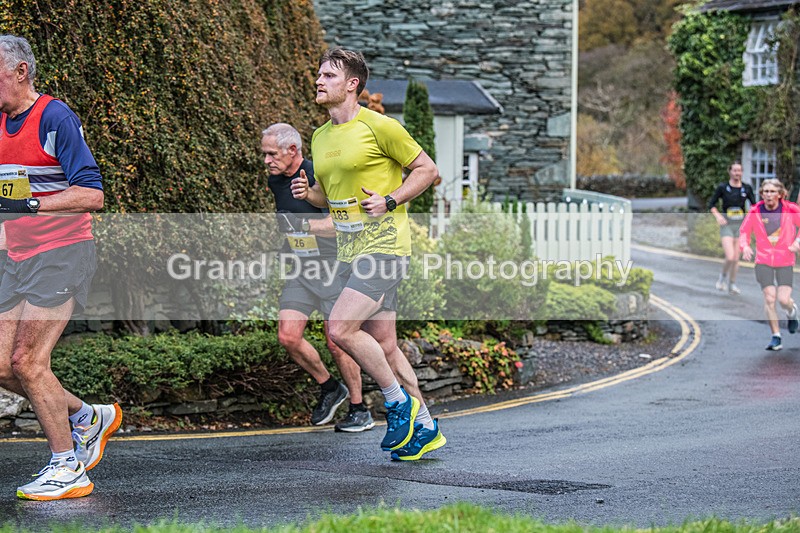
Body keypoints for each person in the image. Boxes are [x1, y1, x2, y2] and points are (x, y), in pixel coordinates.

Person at [292, 48, 446, 461]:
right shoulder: (321, 137)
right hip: (351, 250)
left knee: (339, 329)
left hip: (385, 248)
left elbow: (428, 170)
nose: (319, 81)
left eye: (328, 75)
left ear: (352, 85)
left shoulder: (381, 127)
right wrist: (309, 194)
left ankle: (397, 403)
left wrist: (391, 200)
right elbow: (332, 195)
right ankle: (427, 425)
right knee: (385, 344)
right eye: (319, 74)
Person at [0, 35, 122, 500]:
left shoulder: (54, 117)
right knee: (3, 364)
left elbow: (92, 194)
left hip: (63, 251)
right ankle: (88, 417)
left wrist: (32, 204)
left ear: (20, 72)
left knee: (28, 361)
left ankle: (68, 467)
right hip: (17, 256)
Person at [261, 122, 373, 432]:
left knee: (338, 341)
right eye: (265, 155)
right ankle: (329, 387)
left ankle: (359, 408)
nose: (266, 161)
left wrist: (307, 227)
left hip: (334, 268)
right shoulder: (275, 180)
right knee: (288, 336)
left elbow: (345, 220)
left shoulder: (319, 174)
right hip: (301, 268)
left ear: (293, 151)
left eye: (271, 154)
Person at [739, 178, 800, 351]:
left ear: (780, 194)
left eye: (772, 191)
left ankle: (791, 311)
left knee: (783, 300)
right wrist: (745, 247)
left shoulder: (790, 209)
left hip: (785, 260)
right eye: (765, 192)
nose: (768, 195)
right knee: (769, 298)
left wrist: (797, 242)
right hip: (763, 260)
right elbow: (744, 231)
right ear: (761, 194)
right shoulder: (755, 211)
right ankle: (776, 336)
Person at [708, 161, 755, 295]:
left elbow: (754, 206)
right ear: (730, 172)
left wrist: (751, 220)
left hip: (741, 227)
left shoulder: (746, 188)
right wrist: (718, 216)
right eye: (734, 170)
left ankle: (732, 284)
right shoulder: (723, 187)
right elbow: (711, 204)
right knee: (730, 257)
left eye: (739, 170)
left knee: (736, 258)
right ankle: (722, 278)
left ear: (742, 172)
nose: (737, 173)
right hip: (727, 225)